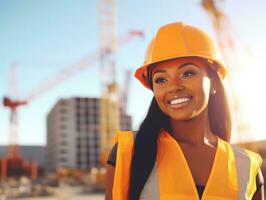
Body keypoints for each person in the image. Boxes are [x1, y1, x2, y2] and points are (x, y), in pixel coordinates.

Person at [105, 22, 264, 200]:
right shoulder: (128, 153)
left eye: (188, 73)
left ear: (213, 83)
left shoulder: (248, 167)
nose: (173, 87)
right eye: (161, 79)